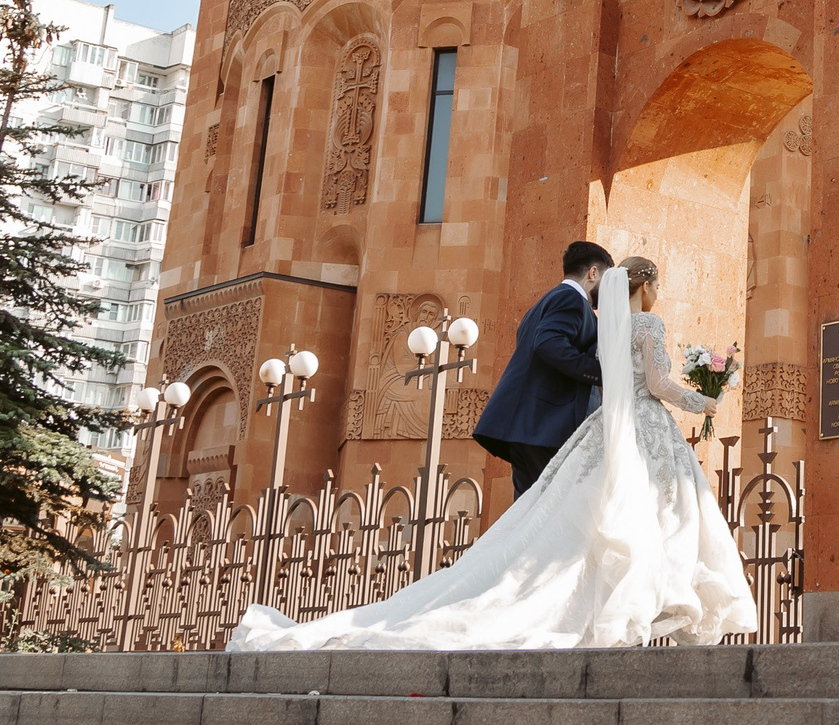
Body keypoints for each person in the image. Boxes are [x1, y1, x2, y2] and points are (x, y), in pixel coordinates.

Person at [226, 257, 755, 649]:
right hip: (641, 424)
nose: (660, 291)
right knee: (662, 510)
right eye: (658, 282)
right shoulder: (642, 323)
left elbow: (610, 370)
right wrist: (704, 397)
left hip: (604, 427)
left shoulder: (606, 328)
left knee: (575, 516)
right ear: (645, 286)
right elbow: (658, 382)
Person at [473, 240, 611, 497]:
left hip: (530, 427)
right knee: (546, 513)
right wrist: (600, 372)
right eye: (605, 278)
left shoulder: (547, 300)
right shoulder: (570, 298)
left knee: (529, 517)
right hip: (544, 427)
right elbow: (548, 344)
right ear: (593, 273)